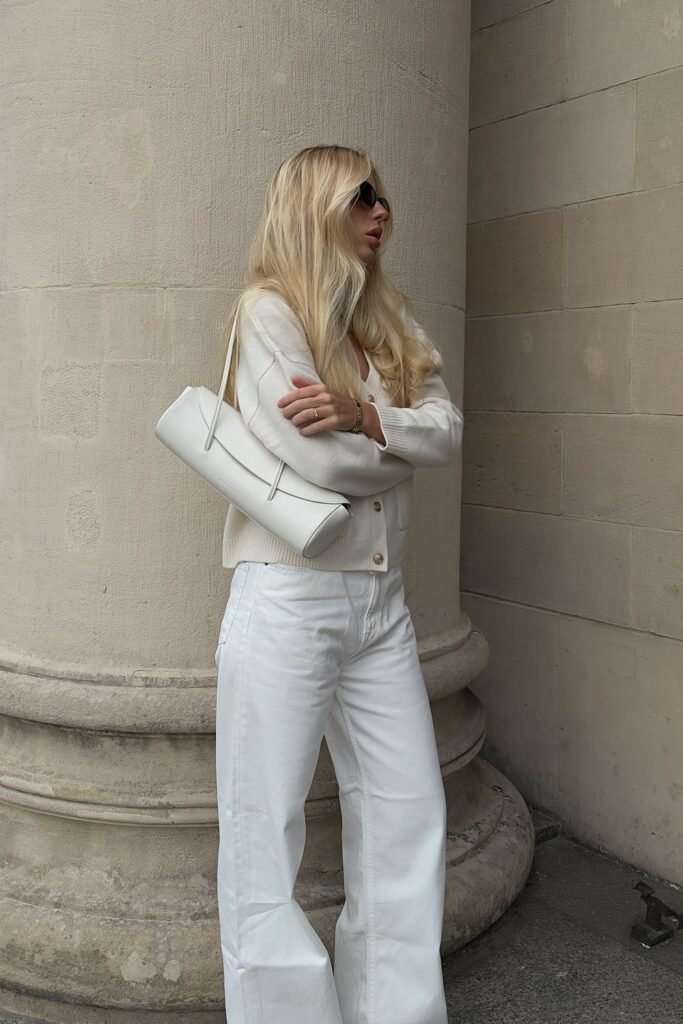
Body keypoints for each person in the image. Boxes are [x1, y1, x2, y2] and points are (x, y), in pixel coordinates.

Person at [214, 144, 463, 1024]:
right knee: (262, 829)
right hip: (289, 597)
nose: (379, 214)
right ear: (315, 208)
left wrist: (365, 416)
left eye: (381, 198)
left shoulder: (381, 321)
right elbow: (318, 463)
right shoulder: (268, 315)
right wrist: (393, 447)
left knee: (406, 814)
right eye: (359, 199)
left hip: (378, 607)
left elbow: (447, 430)